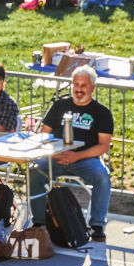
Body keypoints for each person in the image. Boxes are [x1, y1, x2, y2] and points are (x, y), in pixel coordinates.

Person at [28, 66, 113, 242]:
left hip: (86, 159)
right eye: (76, 84)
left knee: (103, 177)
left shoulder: (102, 112)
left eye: (84, 85)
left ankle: (97, 224)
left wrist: (77, 156)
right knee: (33, 171)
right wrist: (54, 152)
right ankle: (39, 221)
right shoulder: (59, 105)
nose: (79, 89)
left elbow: (103, 146)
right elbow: (44, 135)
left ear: (92, 88)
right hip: (57, 157)